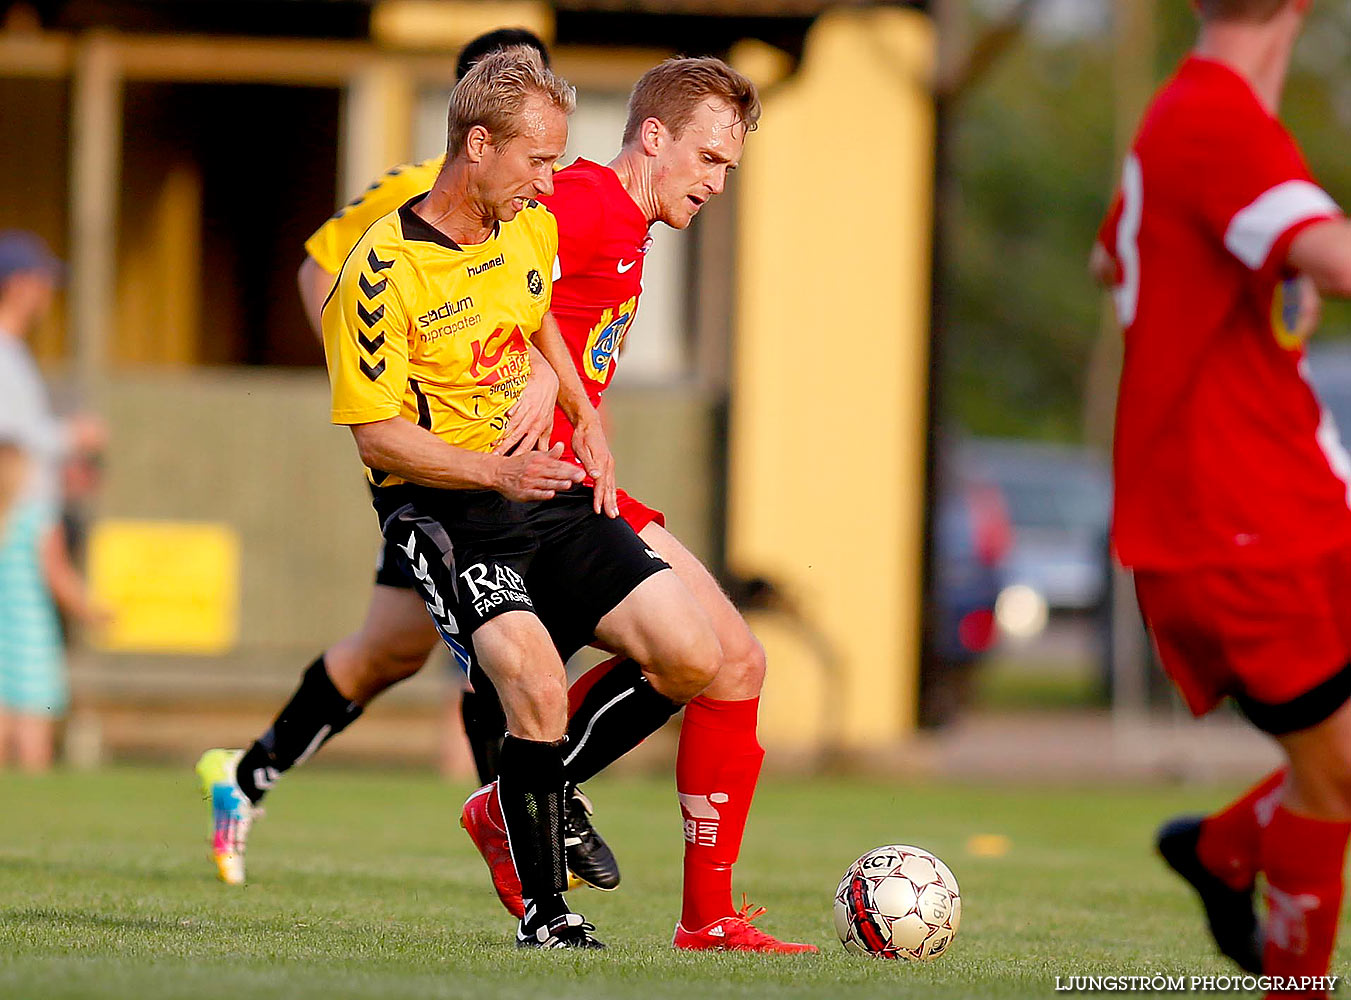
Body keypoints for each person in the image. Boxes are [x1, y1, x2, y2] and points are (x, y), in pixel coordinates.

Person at [201, 42, 811, 952]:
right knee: (492, 667)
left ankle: (572, 835)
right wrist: (460, 399)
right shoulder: (559, 205)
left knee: (419, 659)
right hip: (476, 485)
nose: (720, 182)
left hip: (549, 484)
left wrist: (563, 388)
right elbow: (359, 277)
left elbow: (529, 303)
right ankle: (566, 857)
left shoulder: (574, 215)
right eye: (711, 159)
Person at [1094, 1, 1351, 993]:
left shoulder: (1200, 125)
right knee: (1334, 775)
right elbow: (1332, 256)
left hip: (1294, 494)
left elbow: (1114, 254)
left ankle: (1223, 849)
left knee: (1336, 765)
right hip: (1235, 518)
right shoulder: (1213, 123)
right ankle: (1285, 964)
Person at [0, 231, 105, 771]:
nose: (47, 294)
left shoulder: (16, 354)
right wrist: (72, 437)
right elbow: (10, 438)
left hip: (24, 515)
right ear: (18, 285)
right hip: (15, 521)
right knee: (26, 665)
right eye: (41, 281)